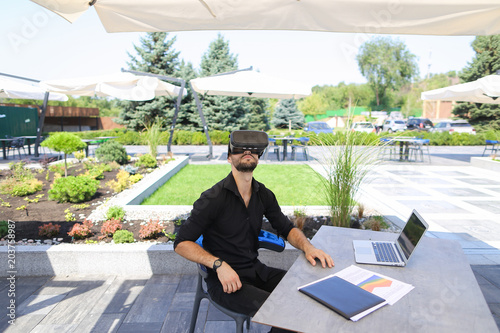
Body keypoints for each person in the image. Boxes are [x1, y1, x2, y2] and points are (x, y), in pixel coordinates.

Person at [174, 130, 334, 333]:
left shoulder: (264, 194)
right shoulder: (213, 199)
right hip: (224, 282)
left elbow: (286, 228)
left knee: (306, 293)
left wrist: (308, 247)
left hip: (256, 270)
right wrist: (218, 265)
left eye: (253, 149)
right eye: (240, 149)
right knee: (286, 314)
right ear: (229, 158)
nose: (247, 152)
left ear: (258, 156)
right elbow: (181, 243)